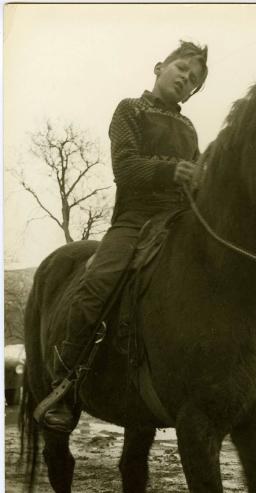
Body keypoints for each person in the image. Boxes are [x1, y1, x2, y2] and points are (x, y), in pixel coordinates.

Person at [43, 41, 209, 431]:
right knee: (96, 283)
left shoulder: (188, 127)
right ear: (159, 66)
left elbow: (198, 177)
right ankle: (64, 384)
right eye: (182, 68)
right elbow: (127, 167)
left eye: (195, 80)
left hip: (180, 219)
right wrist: (176, 171)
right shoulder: (129, 109)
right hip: (135, 220)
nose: (187, 79)